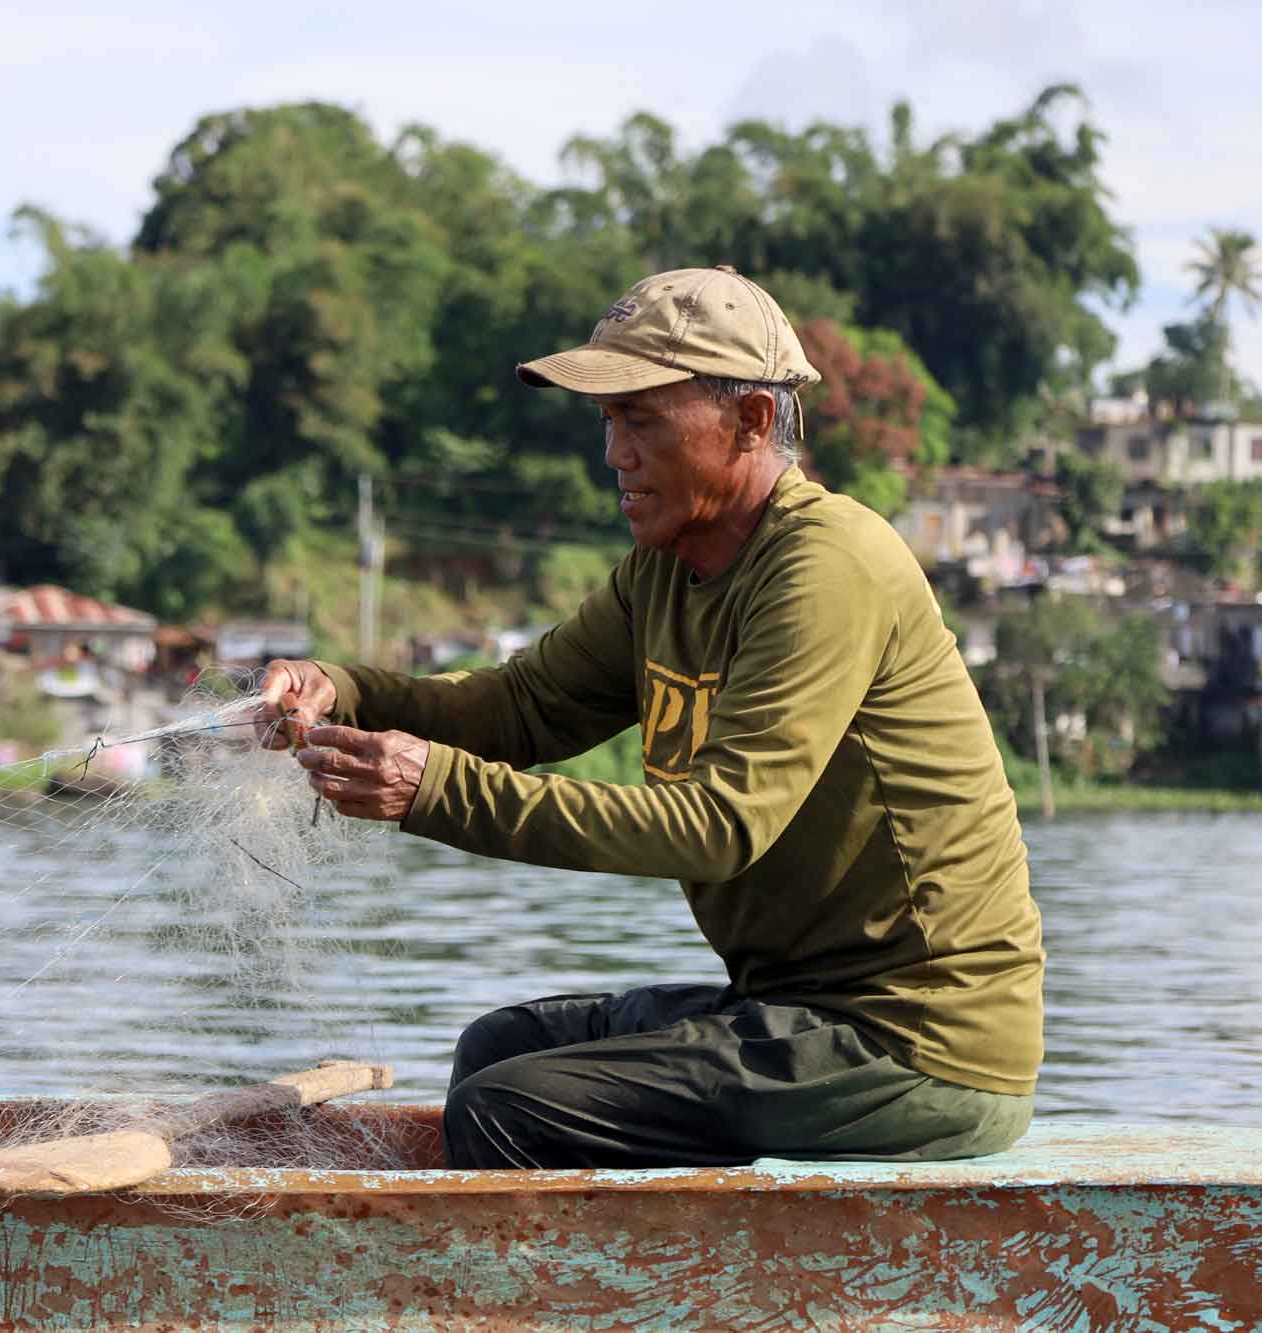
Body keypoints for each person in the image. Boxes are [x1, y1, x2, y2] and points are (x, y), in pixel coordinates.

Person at [259, 266, 1043, 1170]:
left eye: (642, 420)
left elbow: (720, 827)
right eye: (607, 421)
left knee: (506, 1108)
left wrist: (428, 787)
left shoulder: (828, 565)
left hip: (917, 1049)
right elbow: (516, 709)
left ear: (751, 420)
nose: (614, 454)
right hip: (792, 1007)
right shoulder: (664, 570)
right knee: (497, 1053)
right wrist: (338, 687)